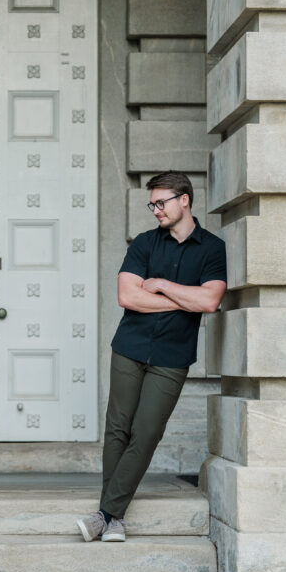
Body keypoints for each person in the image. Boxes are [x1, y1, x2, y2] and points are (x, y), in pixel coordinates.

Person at [77, 171, 227, 544]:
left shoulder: (212, 248)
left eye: (161, 202)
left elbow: (210, 300)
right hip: (129, 347)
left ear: (184, 200)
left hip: (172, 356)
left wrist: (161, 285)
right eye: (153, 204)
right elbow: (127, 296)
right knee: (118, 428)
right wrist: (184, 299)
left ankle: (105, 514)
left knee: (146, 432)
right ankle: (112, 518)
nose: (156, 209)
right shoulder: (144, 243)